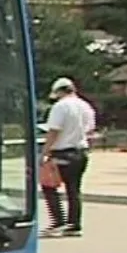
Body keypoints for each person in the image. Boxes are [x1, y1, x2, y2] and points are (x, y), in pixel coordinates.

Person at [41, 77, 93, 238]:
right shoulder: (86, 106)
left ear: (59, 92)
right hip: (81, 152)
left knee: (49, 186)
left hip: (62, 152)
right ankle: (74, 224)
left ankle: (59, 221)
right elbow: (89, 129)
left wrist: (45, 152)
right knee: (74, 189)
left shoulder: (60, 107)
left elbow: (54, 131)